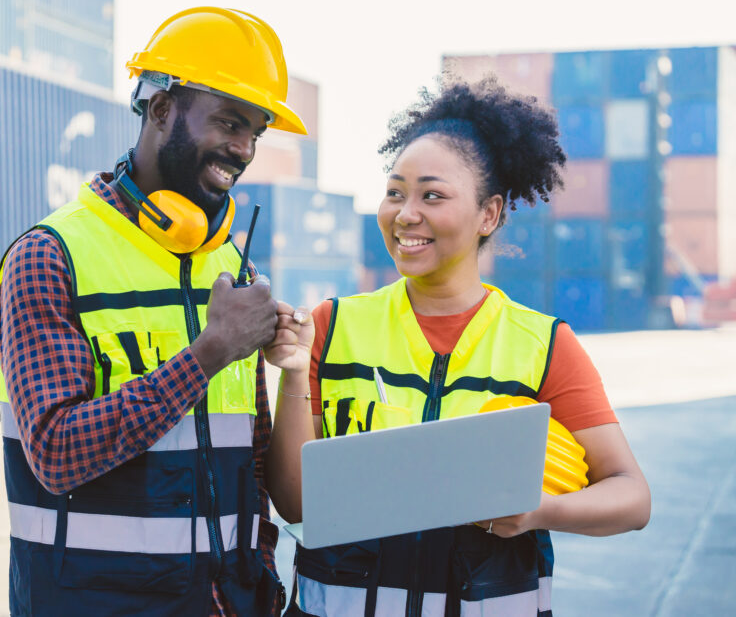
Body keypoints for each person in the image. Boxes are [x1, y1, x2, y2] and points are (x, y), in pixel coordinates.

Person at [265, 78, 651, 616]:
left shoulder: (542, 344)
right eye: (395, 191)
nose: (405, 213)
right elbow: (294, 502)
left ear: (488, 214)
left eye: (432, 195)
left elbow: (631, 496)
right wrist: (289, 373)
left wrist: (538, 512)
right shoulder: (332, 327)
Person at [0, 7, 308, 617]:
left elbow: (252, 463)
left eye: (255, 131)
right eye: (229, 122)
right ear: (161, 109)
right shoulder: (50, 256)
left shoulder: (230, 266)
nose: (243, 149)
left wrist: (262, 575)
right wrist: (209, 353)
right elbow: (57, 452)